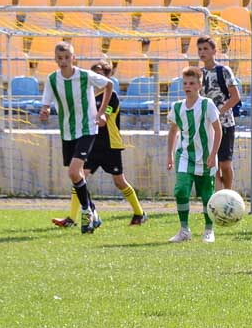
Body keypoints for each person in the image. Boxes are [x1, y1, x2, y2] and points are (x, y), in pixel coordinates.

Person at [51, 60, 146, 228]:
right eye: (94, 74)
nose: (97, 78)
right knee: (79, 176)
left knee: (119, 181)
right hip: (91, 144)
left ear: (107, 77)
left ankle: (139, 212)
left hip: (110, 145)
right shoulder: (86, 96)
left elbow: (103, 120)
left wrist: (99, 116)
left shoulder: (112, 96)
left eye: (100, 75)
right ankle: (73, 218)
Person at [39, 42, 113, 234]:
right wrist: (45, 110)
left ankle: (87, 212)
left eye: (67, 58)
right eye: (59, 58)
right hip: (67, 131)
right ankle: (94, 213)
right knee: (77, 175)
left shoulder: (84, 75)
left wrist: (101, 112)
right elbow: (46, 103)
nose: (63, 61)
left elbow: (109, 84)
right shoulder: (52, 79)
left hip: (88, 128)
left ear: (73, 58)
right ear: (55, 59)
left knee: (73, 172)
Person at [167, 67, 222, 243]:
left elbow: (218, 130)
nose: (187, 86)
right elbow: (173, 131)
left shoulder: (207, 104)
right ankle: (184, 230)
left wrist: (213, 154)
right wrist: (169, 155)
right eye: (185, 83)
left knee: (207, 195)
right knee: (181, 191)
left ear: (199, 85)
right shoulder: (177, 107)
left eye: (191, 83)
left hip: (206, 156)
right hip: (184, 156)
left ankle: (208, 230)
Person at [197, 36, 241, 191]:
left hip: (225, 124)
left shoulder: (224, 71)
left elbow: (235, 97)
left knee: (225, 163)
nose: (202, 52)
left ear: (214, 51)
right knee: (212, 162)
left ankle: (229, 193)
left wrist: (218, 111)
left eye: (206, 49)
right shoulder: (199, 73)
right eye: (200, 49)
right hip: (207, 126)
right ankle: (218, 195)